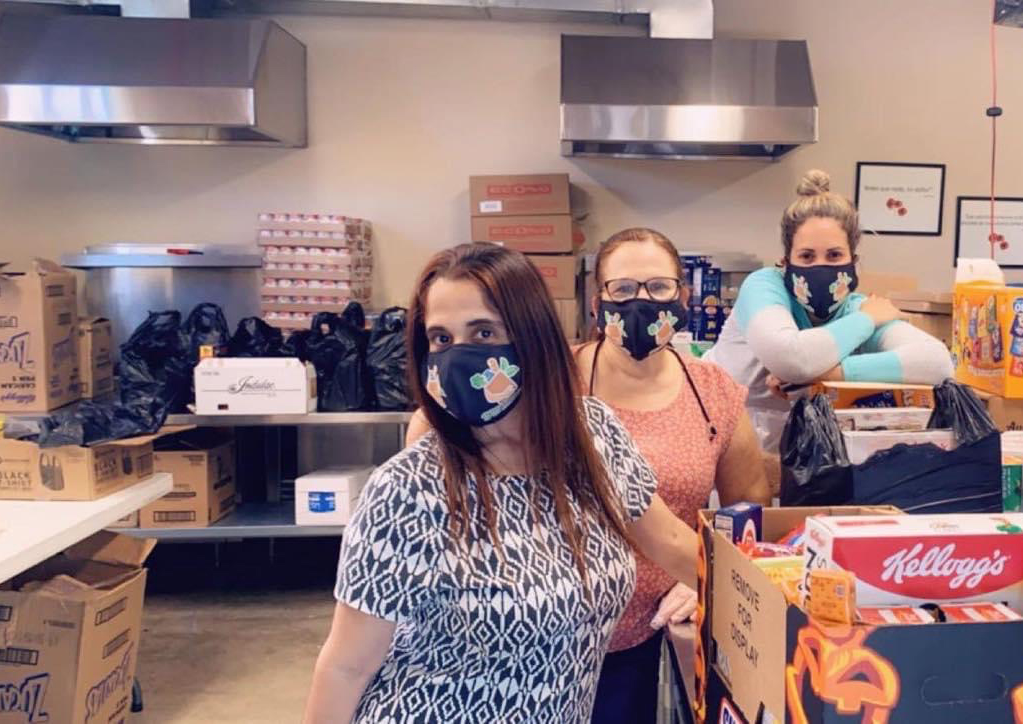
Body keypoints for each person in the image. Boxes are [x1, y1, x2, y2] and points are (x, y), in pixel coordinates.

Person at [304, 243, 700, 724]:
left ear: (533, 338)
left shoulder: (595, 437)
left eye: (484, 332)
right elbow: (345, 666)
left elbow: (673, 541)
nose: (459, 358)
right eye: (442, 340)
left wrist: (768, 594)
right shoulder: (407, 490)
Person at [573, 227, 768, 724]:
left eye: (658, 288)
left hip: (663, 629)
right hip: (564, 630)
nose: (641, 302)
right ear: (599, 302)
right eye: (622, 289)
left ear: (682, 297)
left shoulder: (713, 391)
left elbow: (747, 508)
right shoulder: (558, 381)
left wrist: (699, 576)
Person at [705, 169, 956, 451]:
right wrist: (868, 319)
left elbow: (937, 363)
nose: (821, 266)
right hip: (718, 433)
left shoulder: (854, 307)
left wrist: (828, 376)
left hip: (795, 448)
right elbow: (790, 358)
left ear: (853, 260)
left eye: (835, 255)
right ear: (785, 261)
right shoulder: (764, 287)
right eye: (807, 256)